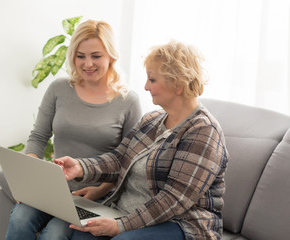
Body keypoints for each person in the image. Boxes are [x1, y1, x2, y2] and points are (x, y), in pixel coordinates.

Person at [55, 39, 229, 240]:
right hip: (131, 214)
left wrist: (120, 226)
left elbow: (174, 199)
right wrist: (80, 167)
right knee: (79, 236)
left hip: (183, 224)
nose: (146, 87)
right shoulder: (152, 120)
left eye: (152, 80)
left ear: (178, 84)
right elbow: (120, 159)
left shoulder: (203, 131)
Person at [5, 20, 142, 240]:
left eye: (96, 56)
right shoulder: (59, 89)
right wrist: (29, 180)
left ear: (111, 56)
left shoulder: (128, 101)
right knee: (19, 219)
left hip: (94, 195)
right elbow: (39, 137)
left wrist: (101, 189)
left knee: (54, 235)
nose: (87, 64)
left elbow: (130, 161)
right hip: (53, 188)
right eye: (81, 56)